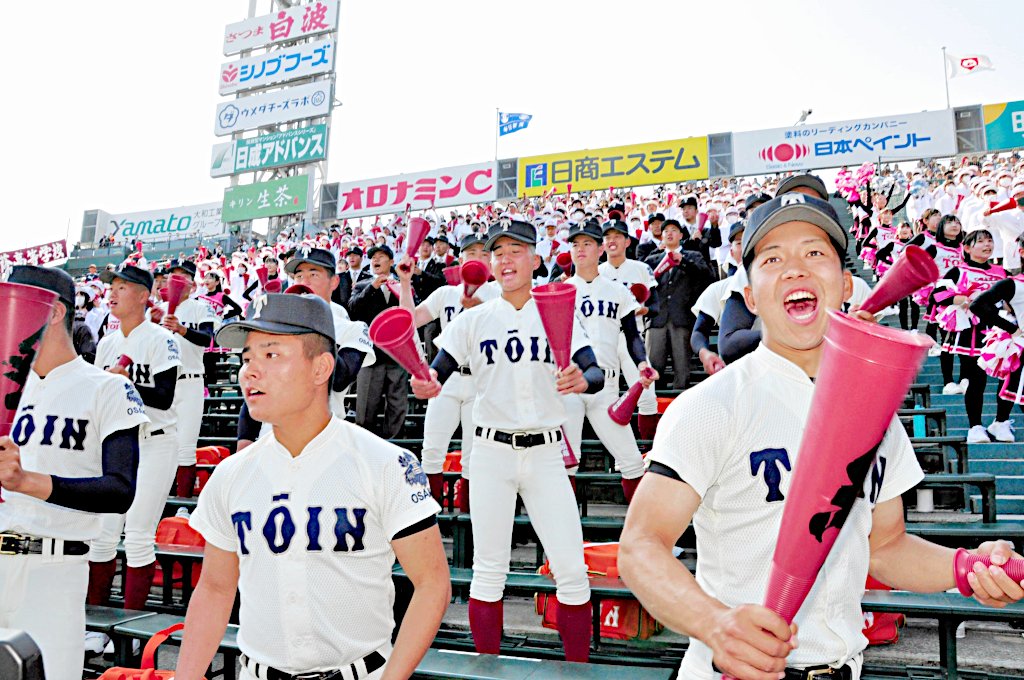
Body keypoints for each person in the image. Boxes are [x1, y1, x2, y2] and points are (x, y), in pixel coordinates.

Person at [618, 194, 1024, 680]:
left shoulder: (876, 410)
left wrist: (967, 567)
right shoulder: (710, 405)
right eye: (772, 259)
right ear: (749, 295)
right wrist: (715, 623)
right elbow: (641, 546)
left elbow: (887, 546)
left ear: (846, 284)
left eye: (815, 253)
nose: (794, 269)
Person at [175, 293, 450, 680]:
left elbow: (432, 583)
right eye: (246, 358)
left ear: (321, 368)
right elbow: (216, 590)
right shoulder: (230, 474)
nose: (249, 371)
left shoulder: (383, 462)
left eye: (270, 355)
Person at [411, 219, 605, 662]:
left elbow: (593, 370)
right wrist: (427, 382)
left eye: (516, 251)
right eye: (497, 252)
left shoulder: (559, 309)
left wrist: (583, 379)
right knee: (488, 572)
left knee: (572, 571)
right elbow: (437, 370)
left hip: (545, 452)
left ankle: (577, 669)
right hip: (491, 453)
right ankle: (489, 668)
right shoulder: (474, 319)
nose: (504, 259)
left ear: (536, 260)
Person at [0, 266, 146, 679]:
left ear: (53, 312)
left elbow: (119, 490)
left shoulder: (108, 388)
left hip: (54, 569)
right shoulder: (5, 385)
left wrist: (26, 482)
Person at [87, 263, 182, 644]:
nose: (113, 293)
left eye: (123, 287)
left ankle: (130, 630)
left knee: (139, 534)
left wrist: (124, 383)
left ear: (144, 295)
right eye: (112, 287)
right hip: (117, 442)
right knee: (104, 534)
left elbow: (164, 396)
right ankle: (97, 629)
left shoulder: (161, 338)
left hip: (156, 439)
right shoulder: (107, 342)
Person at [397, 233, 499, 511]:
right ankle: (430, 516)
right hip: (447, 377)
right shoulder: (446, 293)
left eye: (483, 253)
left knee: (473, 454)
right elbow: (409, 321)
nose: (477, 258)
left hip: (482, 378)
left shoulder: (499, 292)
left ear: (490, 260)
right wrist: (406, 284)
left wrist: (481, 310)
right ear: (460, 258)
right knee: (432, 449)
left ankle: (468, 515)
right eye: (471, 252)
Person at [236, 247, 374, 449]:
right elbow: (257, 381)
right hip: (270, 437)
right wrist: (245, 439)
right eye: (298, 275)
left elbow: (340, 380)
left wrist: (314, 326)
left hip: (323, 439)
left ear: (334, 282)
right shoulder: (278, 326)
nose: (304, 281)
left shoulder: (354, 328)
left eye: (313, 274)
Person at [563, 220, 657, 502]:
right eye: (575, 244)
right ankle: (563, 539)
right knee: (567, 464)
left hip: (606, 386)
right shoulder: (562, 289)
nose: (580, 249)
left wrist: (641, 363)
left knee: (631, 461)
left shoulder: (617, 290)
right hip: (569, 384)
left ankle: (643, 534)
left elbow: (632, 335)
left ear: (601, 248)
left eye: (587, 243)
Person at [933, 229, 1007, 443]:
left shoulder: (1001, 273)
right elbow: (937, 295)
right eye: (980, 241)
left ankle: (1001, 421)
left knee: (1007, 377)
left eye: (990, 240)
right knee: (977, 378)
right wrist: (964, 299)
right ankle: (975, 426)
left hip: (1000, 330)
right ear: (966, 248)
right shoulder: (958, 271)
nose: (987, 244)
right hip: (971, 332)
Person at [598, 219, 661, 440]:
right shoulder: (595, 273)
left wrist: (641, 310)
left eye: (617, 236)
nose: (612, 241)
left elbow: (656, 307)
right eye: (608, 237)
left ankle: (647, 451)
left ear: (627, 241)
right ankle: (616, 454)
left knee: (647, 396)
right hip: (604, 341)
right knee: (607, 399)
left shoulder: (641, 268)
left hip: (632, 338)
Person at [159, 259, 216, 497]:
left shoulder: (201, 307)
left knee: (185, 447)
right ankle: (160, 501)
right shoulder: (158, 310)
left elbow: (207, 339)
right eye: (174, 276)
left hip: (191, 380)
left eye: (183, 277)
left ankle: (182, 504)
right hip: (163, 383)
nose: (178, 280)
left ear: (193, 285)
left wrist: (182, 329)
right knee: (160, 447)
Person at [644, 219, 714, 389]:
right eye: (666, 230)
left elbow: (707, 277)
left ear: (681, 235)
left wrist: (682, 261)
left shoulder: (693, 256)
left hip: (682, 319)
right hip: (656, 320)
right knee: (652, 369)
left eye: (674, 230)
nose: (669, 233)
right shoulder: (652, 259)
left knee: (682, 370)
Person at [350, 244, 410, 439]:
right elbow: (353, 309)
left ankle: (394, 447)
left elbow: (411, 311)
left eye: (381, 256)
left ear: (391, 261)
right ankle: (365, 448)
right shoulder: (362, 285)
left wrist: (402, 286)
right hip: (371, 356)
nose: (375, 260)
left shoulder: (402, 284)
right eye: (373, 257)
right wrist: (372, 287)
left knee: (397, 406)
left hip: (397, 355)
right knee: (365, 407)